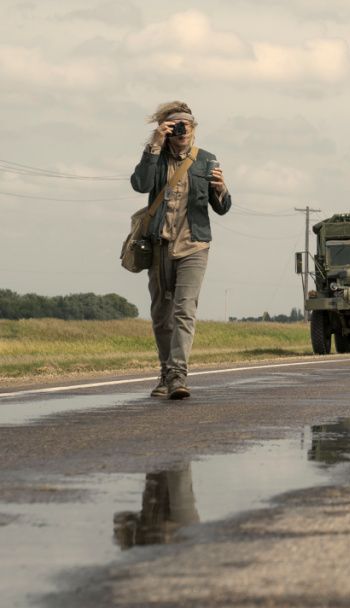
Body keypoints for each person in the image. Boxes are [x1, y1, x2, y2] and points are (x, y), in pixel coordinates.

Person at [130, 101, 231, 400]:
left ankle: (177, 374)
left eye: (186, 125)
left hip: (194, 245)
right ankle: (165, 372)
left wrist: (221, 188)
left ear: (194, 129)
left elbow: (222, 208)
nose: (181, 131)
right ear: (166, 129)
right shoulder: (156, 157)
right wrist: (154, 145)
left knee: (184, 310)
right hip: (160, 244)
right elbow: (140, 184)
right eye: (175, 126)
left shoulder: (206, 160)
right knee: (162, 314)